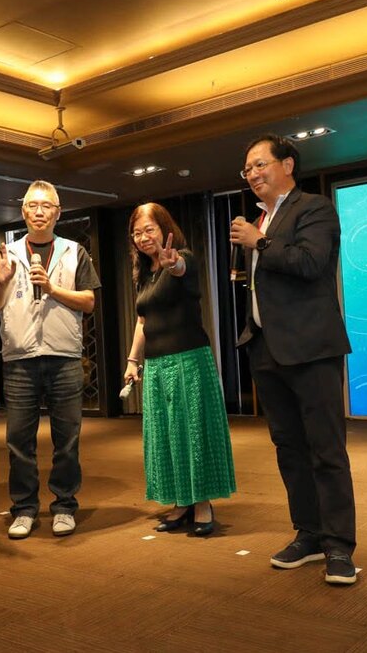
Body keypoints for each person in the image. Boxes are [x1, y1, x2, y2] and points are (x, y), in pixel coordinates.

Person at [229, 134, 357, 584]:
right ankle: (309, 533)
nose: (252, 174)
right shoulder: (261, 219)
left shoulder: (314, 208)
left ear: (287, 165)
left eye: (260, 164)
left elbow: (311, 263)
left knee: (326, 450)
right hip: (267, 348)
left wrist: (260, 243)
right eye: (247, 169)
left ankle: (339, 546)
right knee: (290, 450)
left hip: (312, 347)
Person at [0, 180, 100, 539]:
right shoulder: (8, 253)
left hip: (64, 357)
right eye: (32, 205)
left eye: (46, 206)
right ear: (23, 211)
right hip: (20, 359)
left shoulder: (74, 251)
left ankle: (64, 506)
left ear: (58, 212)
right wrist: (1, 282)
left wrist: (51, 288)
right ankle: (24, 509)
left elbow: (89, 302)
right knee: (19, 441)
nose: (39, 211)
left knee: (67, 440)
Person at [124, 203, 236, 537]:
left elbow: (181, 268)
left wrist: (173, 264)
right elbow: (142, 321)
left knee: (193, 433)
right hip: (156, 365)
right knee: (165, 436)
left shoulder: (182, 257)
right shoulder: (144, 272)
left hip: (189, 360)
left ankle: (202, 502)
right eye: (137, 233)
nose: (143, 238)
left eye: (149, 230)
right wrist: (132, 361)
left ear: (165, 229)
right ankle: (181, 501)